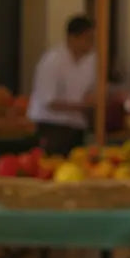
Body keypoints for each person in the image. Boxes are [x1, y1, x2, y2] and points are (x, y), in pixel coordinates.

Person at [27, 14, 97, 157]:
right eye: (88, 38)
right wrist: (83, 106)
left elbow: (92, 87)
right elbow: (49, 101)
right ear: (72, 38)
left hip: (77, 126)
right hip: (52, 125)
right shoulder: (52, 61)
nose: (92, 43)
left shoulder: (92, 60)